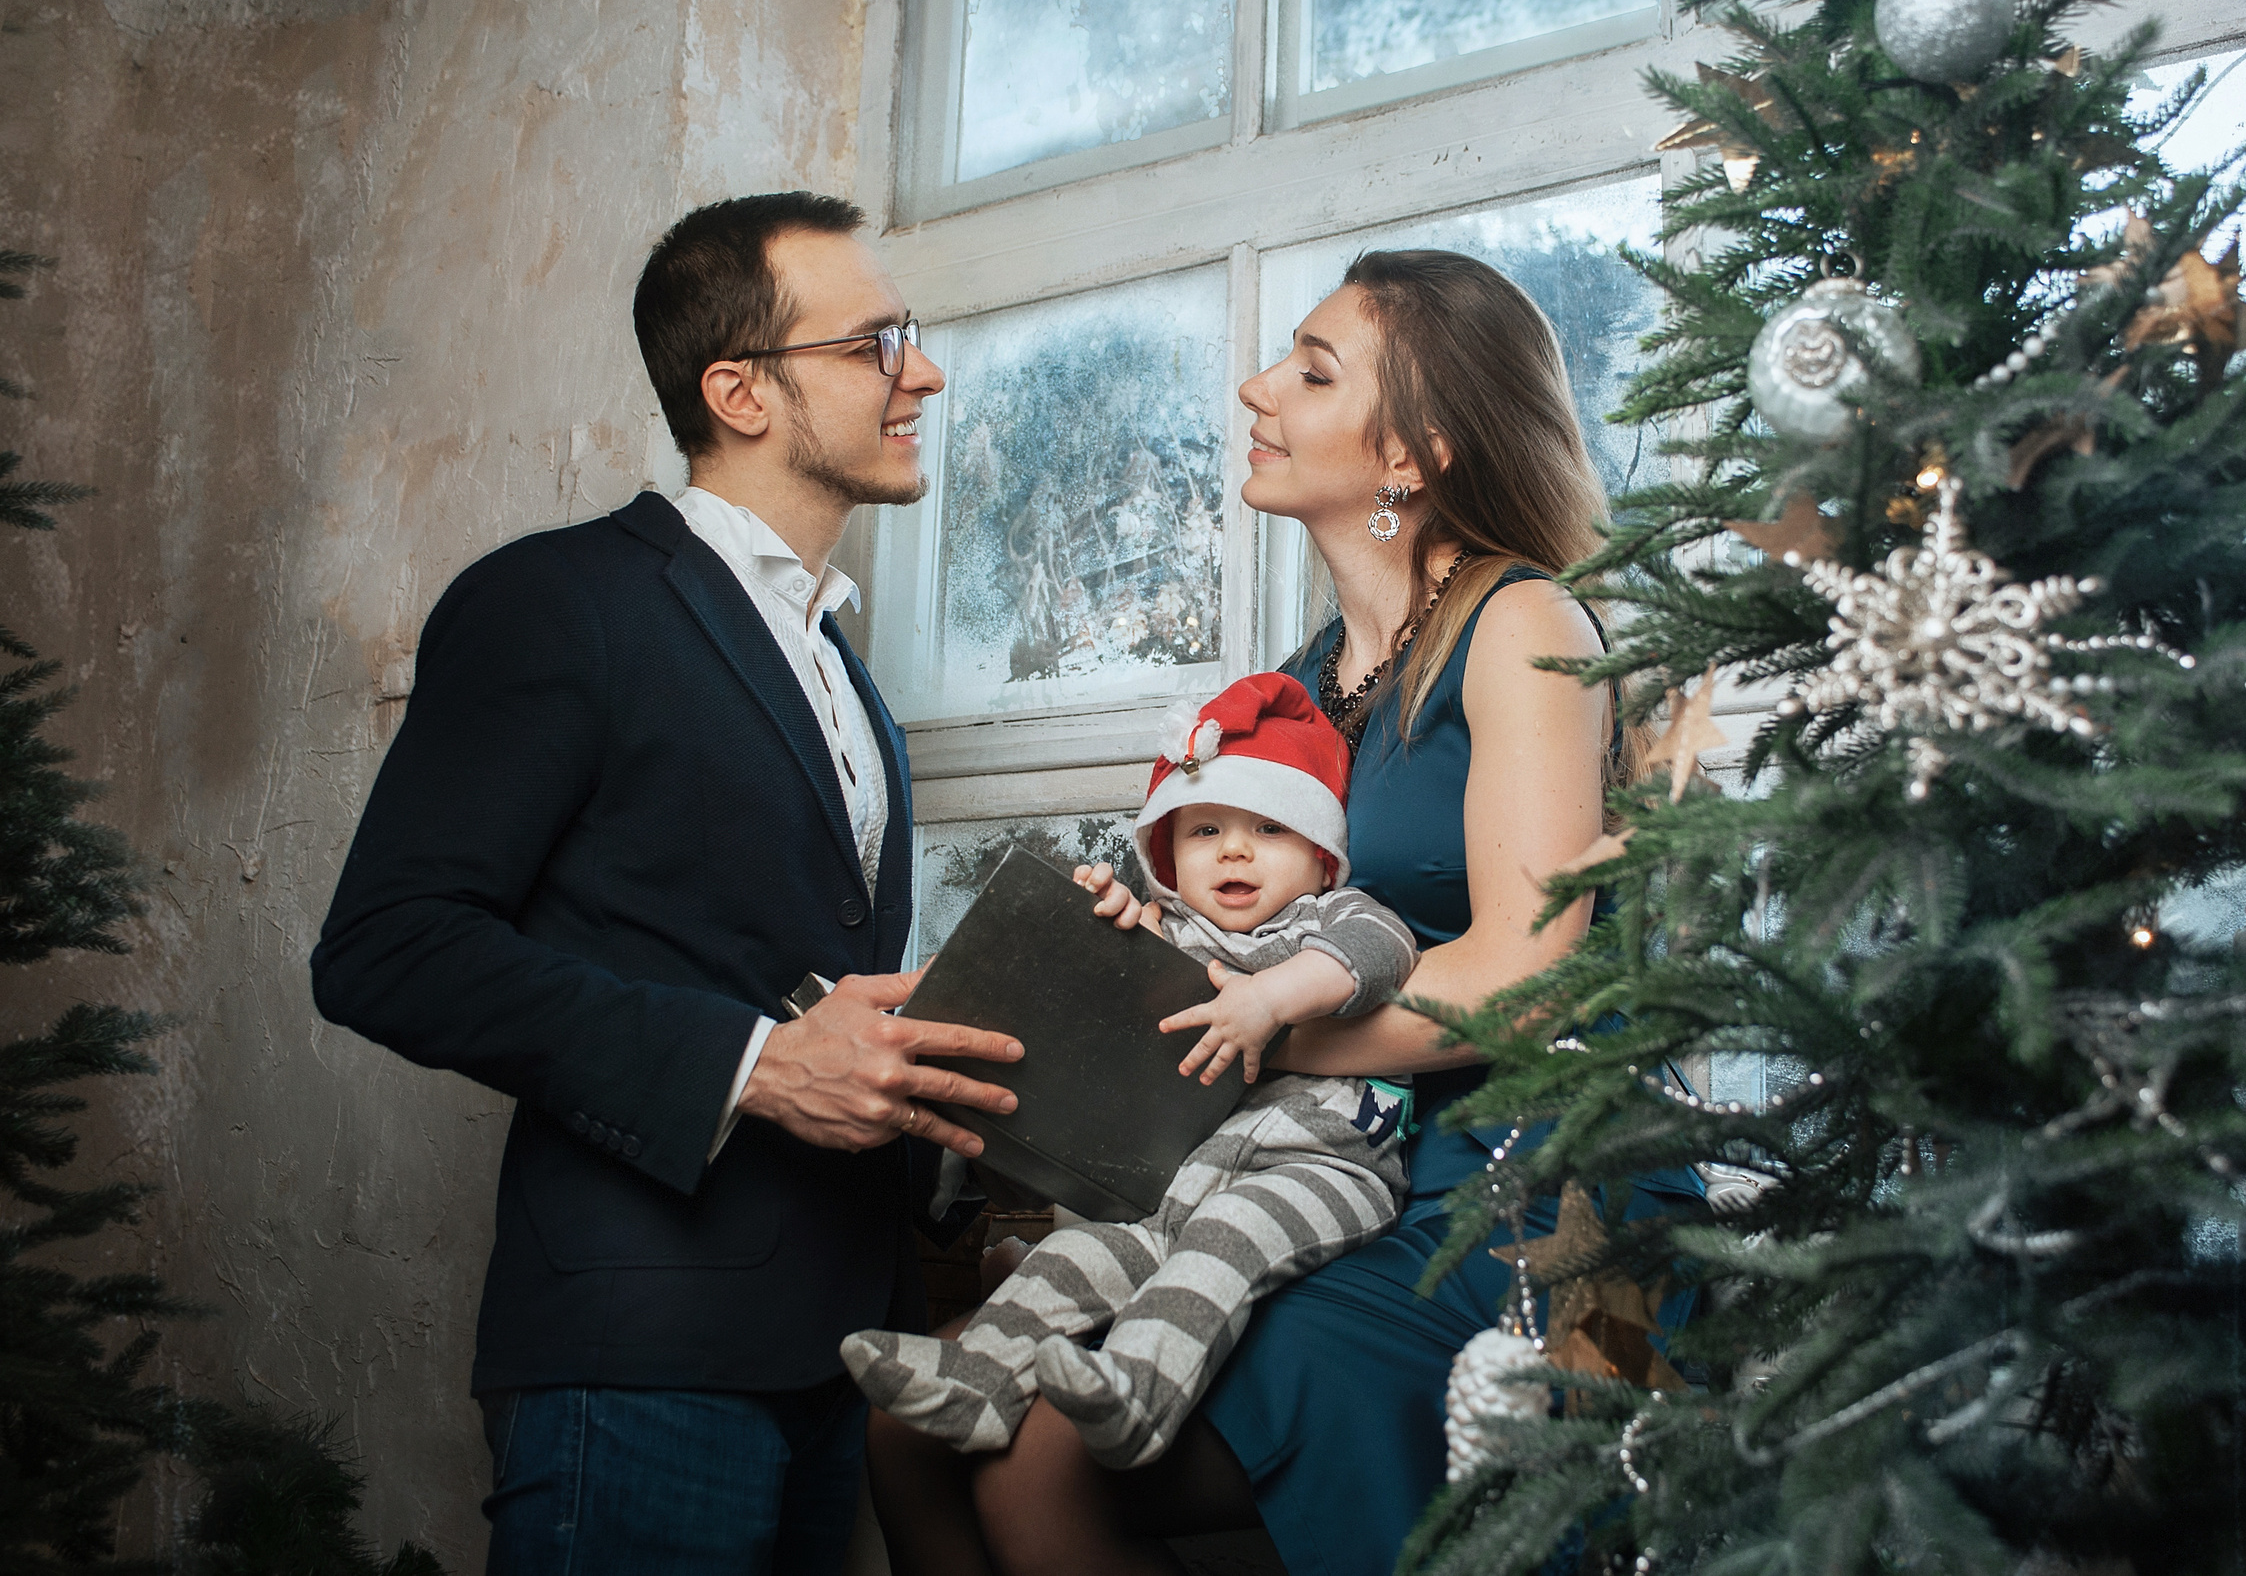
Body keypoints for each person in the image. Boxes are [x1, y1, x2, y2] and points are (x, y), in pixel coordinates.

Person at [868, 248, 1692, 1576]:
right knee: (908, 1438)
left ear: (1415, 451)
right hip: (1303, 1170)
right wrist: (1113, 957)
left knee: (1037, 1460)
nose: (1256, 387)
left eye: (1311, 369)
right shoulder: (1290, 695)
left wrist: (1246, 1026)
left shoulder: (1525, 621)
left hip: (1519, 1196)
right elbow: (1227, 940)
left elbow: (1524, 974)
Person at [309, 191, 1028, 1575]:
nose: (921, 371)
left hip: (841, 1356)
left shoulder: (842, 671)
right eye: (879, 341)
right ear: (739, 390)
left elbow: (778, 961)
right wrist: (756, 1066)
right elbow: (386, 946)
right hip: (634, 1354)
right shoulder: (556, 599)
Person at [842, 671, 1418, 1472]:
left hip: (1322, 1159)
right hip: (1183, 1173)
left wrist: (1270, 997)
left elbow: (1384, 955)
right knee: (1079, 1254)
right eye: (1206, 830)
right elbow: (1100, 1025)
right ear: (1169, 860)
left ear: (1323, 860)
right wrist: (1104, 931)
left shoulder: (1328, 914)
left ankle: (1139, 1391)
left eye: (1269, 828)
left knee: (1224, 1243)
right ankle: (978, 1379)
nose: (1236, 849)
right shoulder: (1171, 933)